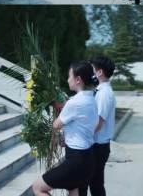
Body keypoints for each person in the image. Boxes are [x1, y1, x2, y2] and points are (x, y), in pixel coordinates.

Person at [31, 61, 98, 196]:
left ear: (78, 80)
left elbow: (56, 125)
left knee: (38, 187)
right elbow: (80, 124)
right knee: (73, 189)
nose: (68, 80)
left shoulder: (74, 102)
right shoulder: (92, 99)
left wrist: (58, 108)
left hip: (76, 161)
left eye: (69, 76)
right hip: (88, 159)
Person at [79, 57, 117, 196]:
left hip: (97, 147)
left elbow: (98, 124)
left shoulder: (104, 94)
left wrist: (79, 136)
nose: (90, 73)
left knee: (93, 185)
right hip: (97, 145)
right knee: (94, 184)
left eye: (92, 70)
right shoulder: (100, 91)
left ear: (99, 72)